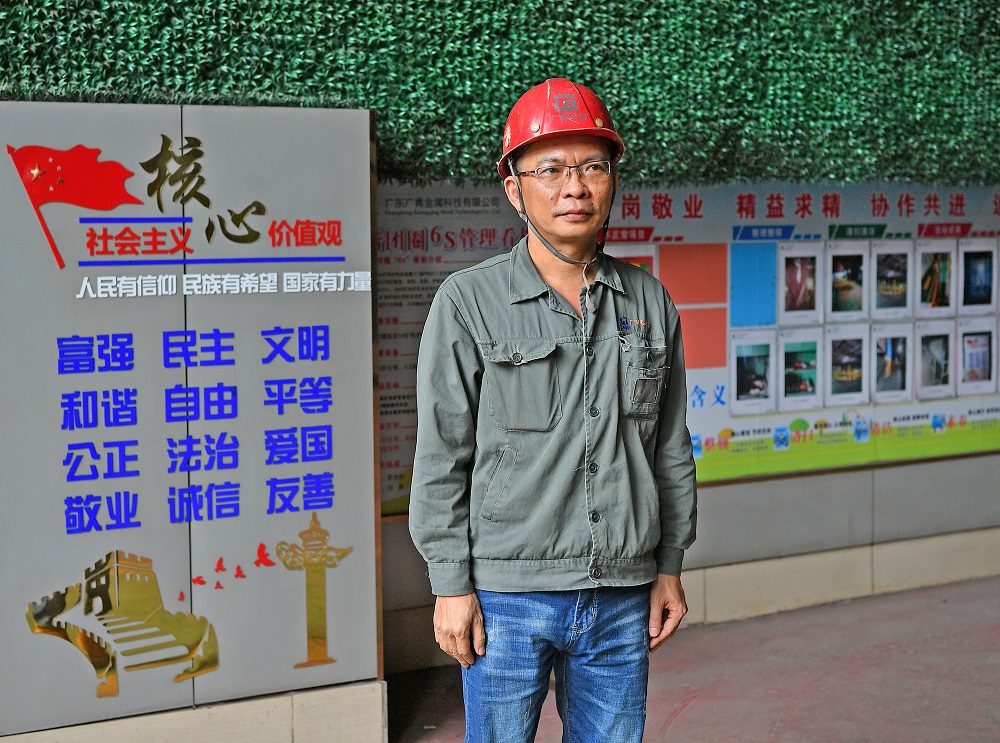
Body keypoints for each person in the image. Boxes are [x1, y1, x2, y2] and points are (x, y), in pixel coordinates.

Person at [409, 78, 697, 742]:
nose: (575, 187)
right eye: (552, 169)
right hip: (507, 597)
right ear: (515, 189)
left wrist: (669, 565)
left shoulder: (649, 302)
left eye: (593, 166)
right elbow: (442, 454)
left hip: (623, 591)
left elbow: (669, 447)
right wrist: (450, 584)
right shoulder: (468, 302)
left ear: (612, 180)